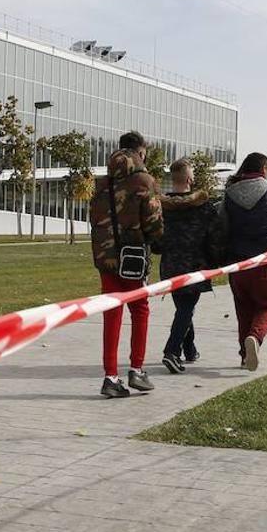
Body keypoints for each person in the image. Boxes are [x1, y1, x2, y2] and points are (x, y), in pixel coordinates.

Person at [88, 131, 162, 398]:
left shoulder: (102, 183)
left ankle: (110, 376)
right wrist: (157, 241)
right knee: (140, 308)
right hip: (133, 256)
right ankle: (137, 369)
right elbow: (153, 219)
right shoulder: (144, 180)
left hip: (105, 257)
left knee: (112, 312)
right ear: (140, 152)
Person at [220, 152, 267, 372]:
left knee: (243, 310)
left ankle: (245, 356)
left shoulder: (229, 195)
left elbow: (222, 229)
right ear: (264, 169)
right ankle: (255, 338)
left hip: (238, 265)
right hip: (266, 264)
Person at [158, 158, 222, 374]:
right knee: (185, 309)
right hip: (195, 265)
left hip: (170, 266)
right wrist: (216, 262)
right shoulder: (203, 207)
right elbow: (215, 237)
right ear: (189, 179)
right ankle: (172, 351)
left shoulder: (161, 207)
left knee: (183, 308)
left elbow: (156, 240)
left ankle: (189, 349)